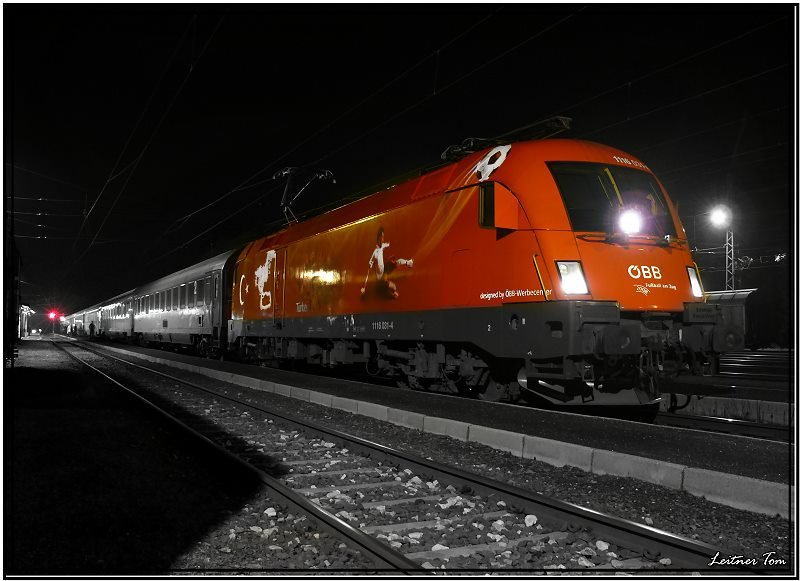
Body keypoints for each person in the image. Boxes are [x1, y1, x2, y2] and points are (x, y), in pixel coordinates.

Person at [360, 226, 413, 299]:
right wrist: (364, 287)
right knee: (393, 286)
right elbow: (369, 269)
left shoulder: (383, 245)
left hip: (385, 269)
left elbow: (389, 244)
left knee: (397, 261)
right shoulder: (375, 253)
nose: (383, 239)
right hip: (381, 278)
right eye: (381, 237)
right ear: (378, 238)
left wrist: (391, 258)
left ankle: (408, 263)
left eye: (383, 237)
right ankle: (393, 293)